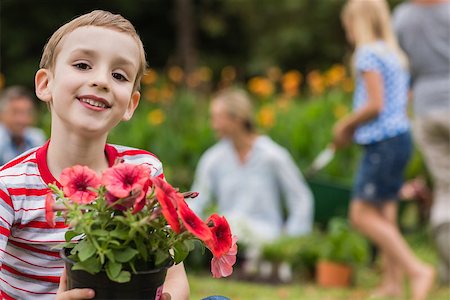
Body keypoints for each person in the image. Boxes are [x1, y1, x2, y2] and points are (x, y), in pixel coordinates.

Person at [0, 10, 189, 300]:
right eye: (83, 65)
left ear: (131, 104)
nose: (101, 80)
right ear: (45, 84)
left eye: (118, 75)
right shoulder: (10, 186)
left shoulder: (144, 168)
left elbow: (174, 276)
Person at [333, 1, 434, 299]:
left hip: (383, 142)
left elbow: (375, 105)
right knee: (385, 215)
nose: (348, 32)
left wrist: (345, 126)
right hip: (400, 137)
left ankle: (417, 271)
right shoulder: (393, 54)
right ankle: (392, 284)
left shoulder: (367, 54)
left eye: (348, 25)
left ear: (358, 22)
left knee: (361, 214)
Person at [190, 88, 313, 279]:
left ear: (237, 119)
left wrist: (289, 241)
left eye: (217, 118)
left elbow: (301, 198)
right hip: (228, 239)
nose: (213, 125)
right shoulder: (213, 159)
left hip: (267, 237)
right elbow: (198, 199)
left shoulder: (272, 156)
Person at [393, 0, 450, 285]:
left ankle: (447, 266)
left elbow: (399, 67)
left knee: (445, 185)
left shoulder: (402, 17)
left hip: (425, 109)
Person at [0, 85, 46, 165]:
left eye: (26, 113)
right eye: (15, 113)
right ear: (2, 115)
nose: (22, 120)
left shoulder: (37, 137)